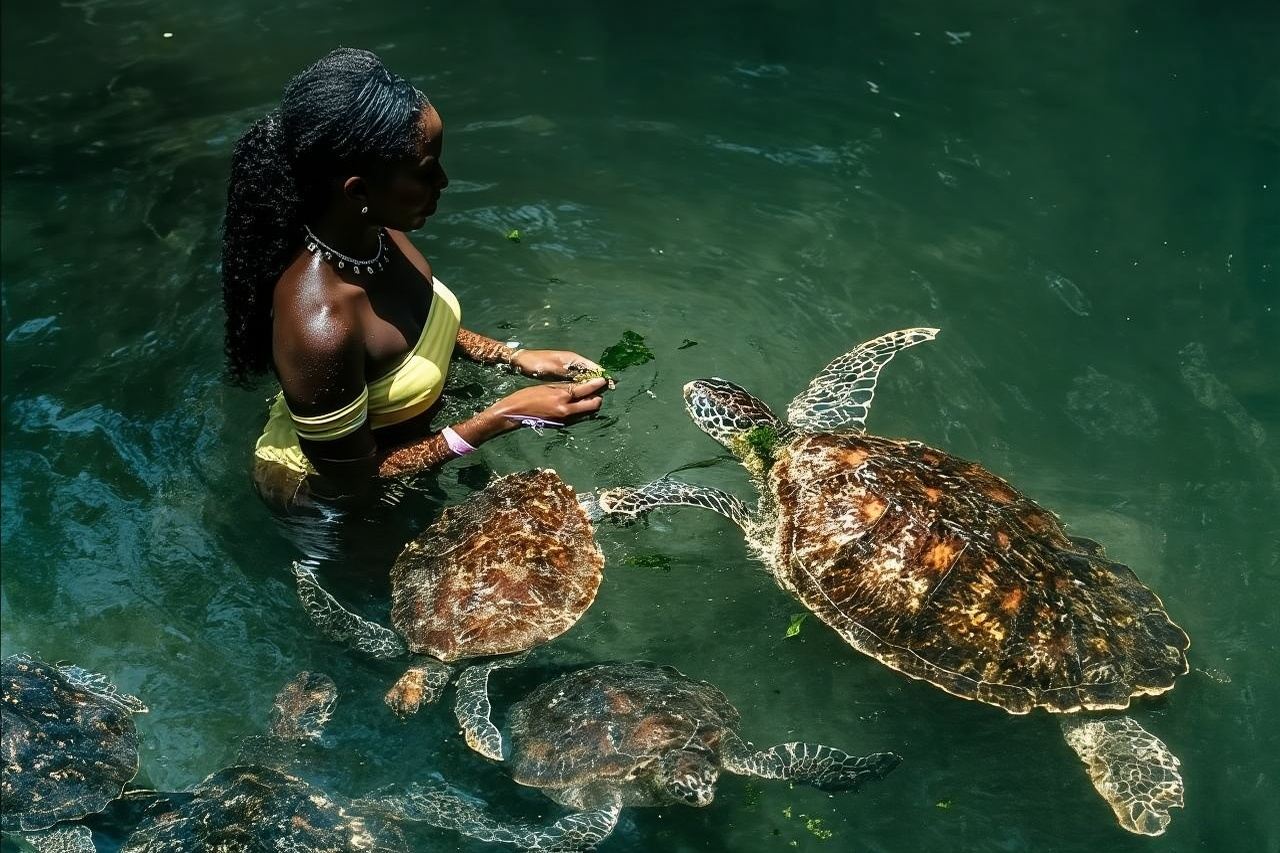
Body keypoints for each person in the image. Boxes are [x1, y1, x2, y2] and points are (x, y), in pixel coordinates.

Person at [220, 48, 608, 512]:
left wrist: (513, 357)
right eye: (426, 173)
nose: (444, 181)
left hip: (399, 448)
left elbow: (414, 324)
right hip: (326, 507)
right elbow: (351, 480)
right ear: (358, 190)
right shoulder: (320, 325)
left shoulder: (376, 232)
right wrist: (501, 418)